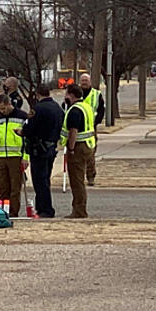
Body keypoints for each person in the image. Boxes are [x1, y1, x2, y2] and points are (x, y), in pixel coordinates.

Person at [26, 84, 64, 218]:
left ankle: (45, 209)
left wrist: (21, 132)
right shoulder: (57, 108)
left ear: (37, 94)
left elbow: (29, 129)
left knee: (39, 181)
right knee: (45, 178)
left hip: (38, 149)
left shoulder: (37, 109)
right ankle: (42, 207)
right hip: (51, 147)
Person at [60, 84, 97, 218]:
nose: (65, 97)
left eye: (66, 94)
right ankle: (79, 209)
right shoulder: (86, 106)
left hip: (78, 148)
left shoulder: (74, 110)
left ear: (71, 95)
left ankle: (79, 211)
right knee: (79, 179)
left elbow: (73, 132)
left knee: (76, 181)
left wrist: (70, 148)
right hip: (88, 146)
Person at [0, 94, 29, 217]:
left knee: (15, 188)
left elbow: (27, 139)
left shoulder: (22, 116)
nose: (2, 111)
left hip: (16, 156)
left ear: (9, 104)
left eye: (3, 108)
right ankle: (2, 210)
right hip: (1, 156)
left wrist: (25, 157)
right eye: (0, 109)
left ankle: (13, 212)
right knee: (2, 187)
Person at [79, 73, 105, 186]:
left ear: (90, 82)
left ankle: (90, 177)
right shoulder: (75, 93)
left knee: (90, 154)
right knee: (76, 156)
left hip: (90, 130)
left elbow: (101, 111)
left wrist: (95, 123)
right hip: (77, 129)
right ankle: (78, 177)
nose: (84, 82)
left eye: (86, 80)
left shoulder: (96, 94)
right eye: (82, 80)